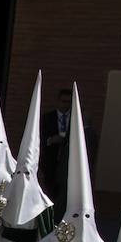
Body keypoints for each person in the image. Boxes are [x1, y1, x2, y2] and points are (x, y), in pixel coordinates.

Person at [39, 87, 73, 218]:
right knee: (49, 187)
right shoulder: (47, 118)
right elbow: (39, 137)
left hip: (66, 160)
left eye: (68, 102)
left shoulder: (75, 118)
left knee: (63, 190)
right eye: (63, 101)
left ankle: (59, 216)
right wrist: (50, 140)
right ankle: (48, 214)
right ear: (58, 101)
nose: (66, 105)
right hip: (50, 159)